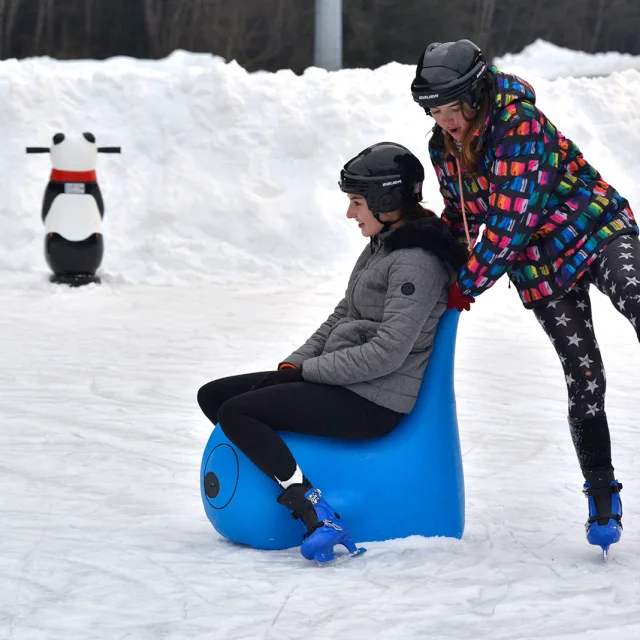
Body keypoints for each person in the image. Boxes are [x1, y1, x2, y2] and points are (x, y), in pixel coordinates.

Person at [410, 39, 639, 557]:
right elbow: (463, 219)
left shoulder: (519, 124)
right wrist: (432, 259)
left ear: (476, 95)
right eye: (434, 111)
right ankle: (601, 493)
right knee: (583, 376)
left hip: (593, 230)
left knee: (636, 297)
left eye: (452, 109)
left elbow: (510, 222)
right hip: (540, 269)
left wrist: (464, 284)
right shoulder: (442, 147)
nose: (444, 121)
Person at [197, 141, 468, 564]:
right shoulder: (384, 244)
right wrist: (295, 364)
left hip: (372, 399)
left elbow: (387, 353)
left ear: (386, 200)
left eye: (357, 203)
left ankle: (315, 511)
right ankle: (289, 469)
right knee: (214, 396)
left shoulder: (416, 261)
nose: (350, 214)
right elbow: (344, 314)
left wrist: (310, 374)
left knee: (238, 413)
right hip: (343, 381)